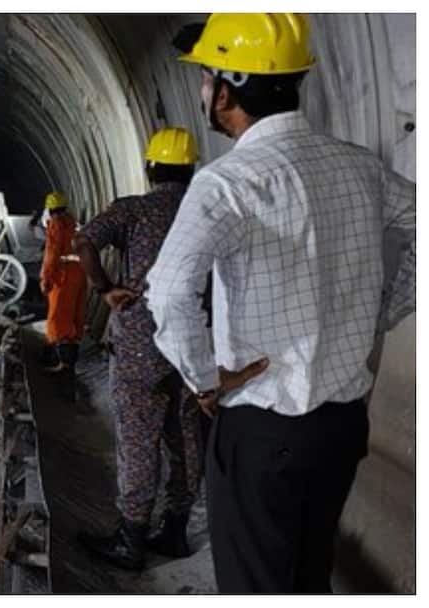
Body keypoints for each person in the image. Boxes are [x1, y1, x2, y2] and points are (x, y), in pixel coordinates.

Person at [146, 13, 415, 593]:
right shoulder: (359, 167)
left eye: (204, 79)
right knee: (307, 573)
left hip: (263, 429)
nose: (201, 93)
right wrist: (384, 310)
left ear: (226, 88)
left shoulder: (227, 183)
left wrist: (203, 379)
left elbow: (168, 290)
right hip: (342, 426)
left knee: (256, 585)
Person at [72, 127, 203, 570]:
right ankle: (176, 528)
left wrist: (104, 288)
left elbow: (84, 240)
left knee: (138, 436)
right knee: (185, 434)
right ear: (191, 169)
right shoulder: (207, 208)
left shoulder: (134, 209)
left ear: (150, 168)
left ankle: (131, 537)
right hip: (194, 342)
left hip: (140, 342)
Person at [39, 191, 87, 400]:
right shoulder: (74, 222)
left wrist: (46, 278)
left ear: (50, 210)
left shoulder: (56, 224)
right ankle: (71, 362)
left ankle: (63, 365)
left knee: (58, 318)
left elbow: (52, 252)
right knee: (76, 316)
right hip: (80, 271)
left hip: (63, 274)